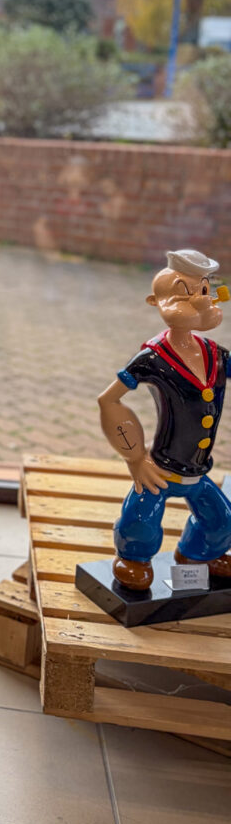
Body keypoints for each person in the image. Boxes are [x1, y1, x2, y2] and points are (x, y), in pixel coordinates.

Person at [97, 248, 231, 591]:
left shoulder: (217, 355)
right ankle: (133, 558)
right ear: (155, 302)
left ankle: (196, 554)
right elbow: (109, 399)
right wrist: (135, 458)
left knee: (223, 522)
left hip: (197, 471)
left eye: (204, 290)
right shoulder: (152, 359)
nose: (200, 301)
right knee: (139, 523)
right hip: (160, 468)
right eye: (185, 293)